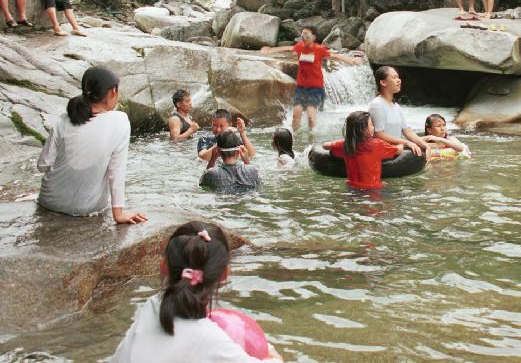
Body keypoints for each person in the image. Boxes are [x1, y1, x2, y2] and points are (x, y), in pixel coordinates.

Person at [110, 221, 282, 362]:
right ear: (224, 274)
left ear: (163, 267)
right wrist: (271, 354)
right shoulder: (211, 340)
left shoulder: (151, 306)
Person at [37, 66, 147, 224]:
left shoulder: (63, 119)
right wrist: (119, 214)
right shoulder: (120, 120)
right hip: (87, 208)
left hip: (49, 201)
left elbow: (42, 165)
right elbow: (116, 171)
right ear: (112, 92)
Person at [262, 26, 361, 131]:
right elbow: (288, 48)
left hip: (316, 87)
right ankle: (294, 138)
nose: (304, 37)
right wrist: (271, 50)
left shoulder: (319, 49)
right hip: (301, 87)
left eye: (306, 35)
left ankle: (311, 139)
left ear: (313, 37)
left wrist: (351, 61)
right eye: (302, 35)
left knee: (310, 116)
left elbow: (334, 56)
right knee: (296, 115)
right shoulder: (299, 47)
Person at [324, 111, 402, 190]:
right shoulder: (377, 144)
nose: (373, 127)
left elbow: (325, 145)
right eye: (371, 124)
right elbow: (398, 150)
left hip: (352, 188)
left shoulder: (345, 145)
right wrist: (402, 143)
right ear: (362, 129)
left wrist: (348, 140)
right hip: (372, 190)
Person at [368, 66, 428, 156]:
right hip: (385, 153)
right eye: (394, 77)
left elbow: (408, 131)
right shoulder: (377, 105)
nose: (398, 80)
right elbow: (378, 134)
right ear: (383, 82)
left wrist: (426, 146)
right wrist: (406, 142)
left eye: (398, 77)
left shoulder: (396, 106)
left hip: (397, 149)